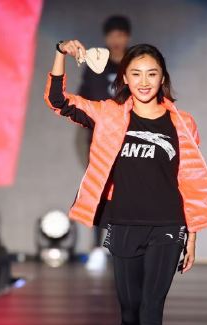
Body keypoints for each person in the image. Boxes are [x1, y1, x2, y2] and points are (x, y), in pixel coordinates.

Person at [45, 40, 207, 325]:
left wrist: (192, 233)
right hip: (124, 224)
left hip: (168, 226)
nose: (144, 81)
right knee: (129, 314)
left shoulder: (183, 123)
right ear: (124, 78)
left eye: (152, 74)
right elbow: (57, 101)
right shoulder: (109, 115)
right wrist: (61, 52)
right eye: (136, 74)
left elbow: (189, 181)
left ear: (163, 78)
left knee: (151, 310)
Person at [78, 15, 131, 272]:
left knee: (132, 192)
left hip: (131, 138)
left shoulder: (135, 63)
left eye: (121, 34)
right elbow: (85, 100)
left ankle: (127, 244)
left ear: (127, 37)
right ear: (106, 38)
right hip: (102, 140)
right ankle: (98, 246)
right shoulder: (96, 65)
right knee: (100, 193)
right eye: (112, 35)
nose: (116, 40)